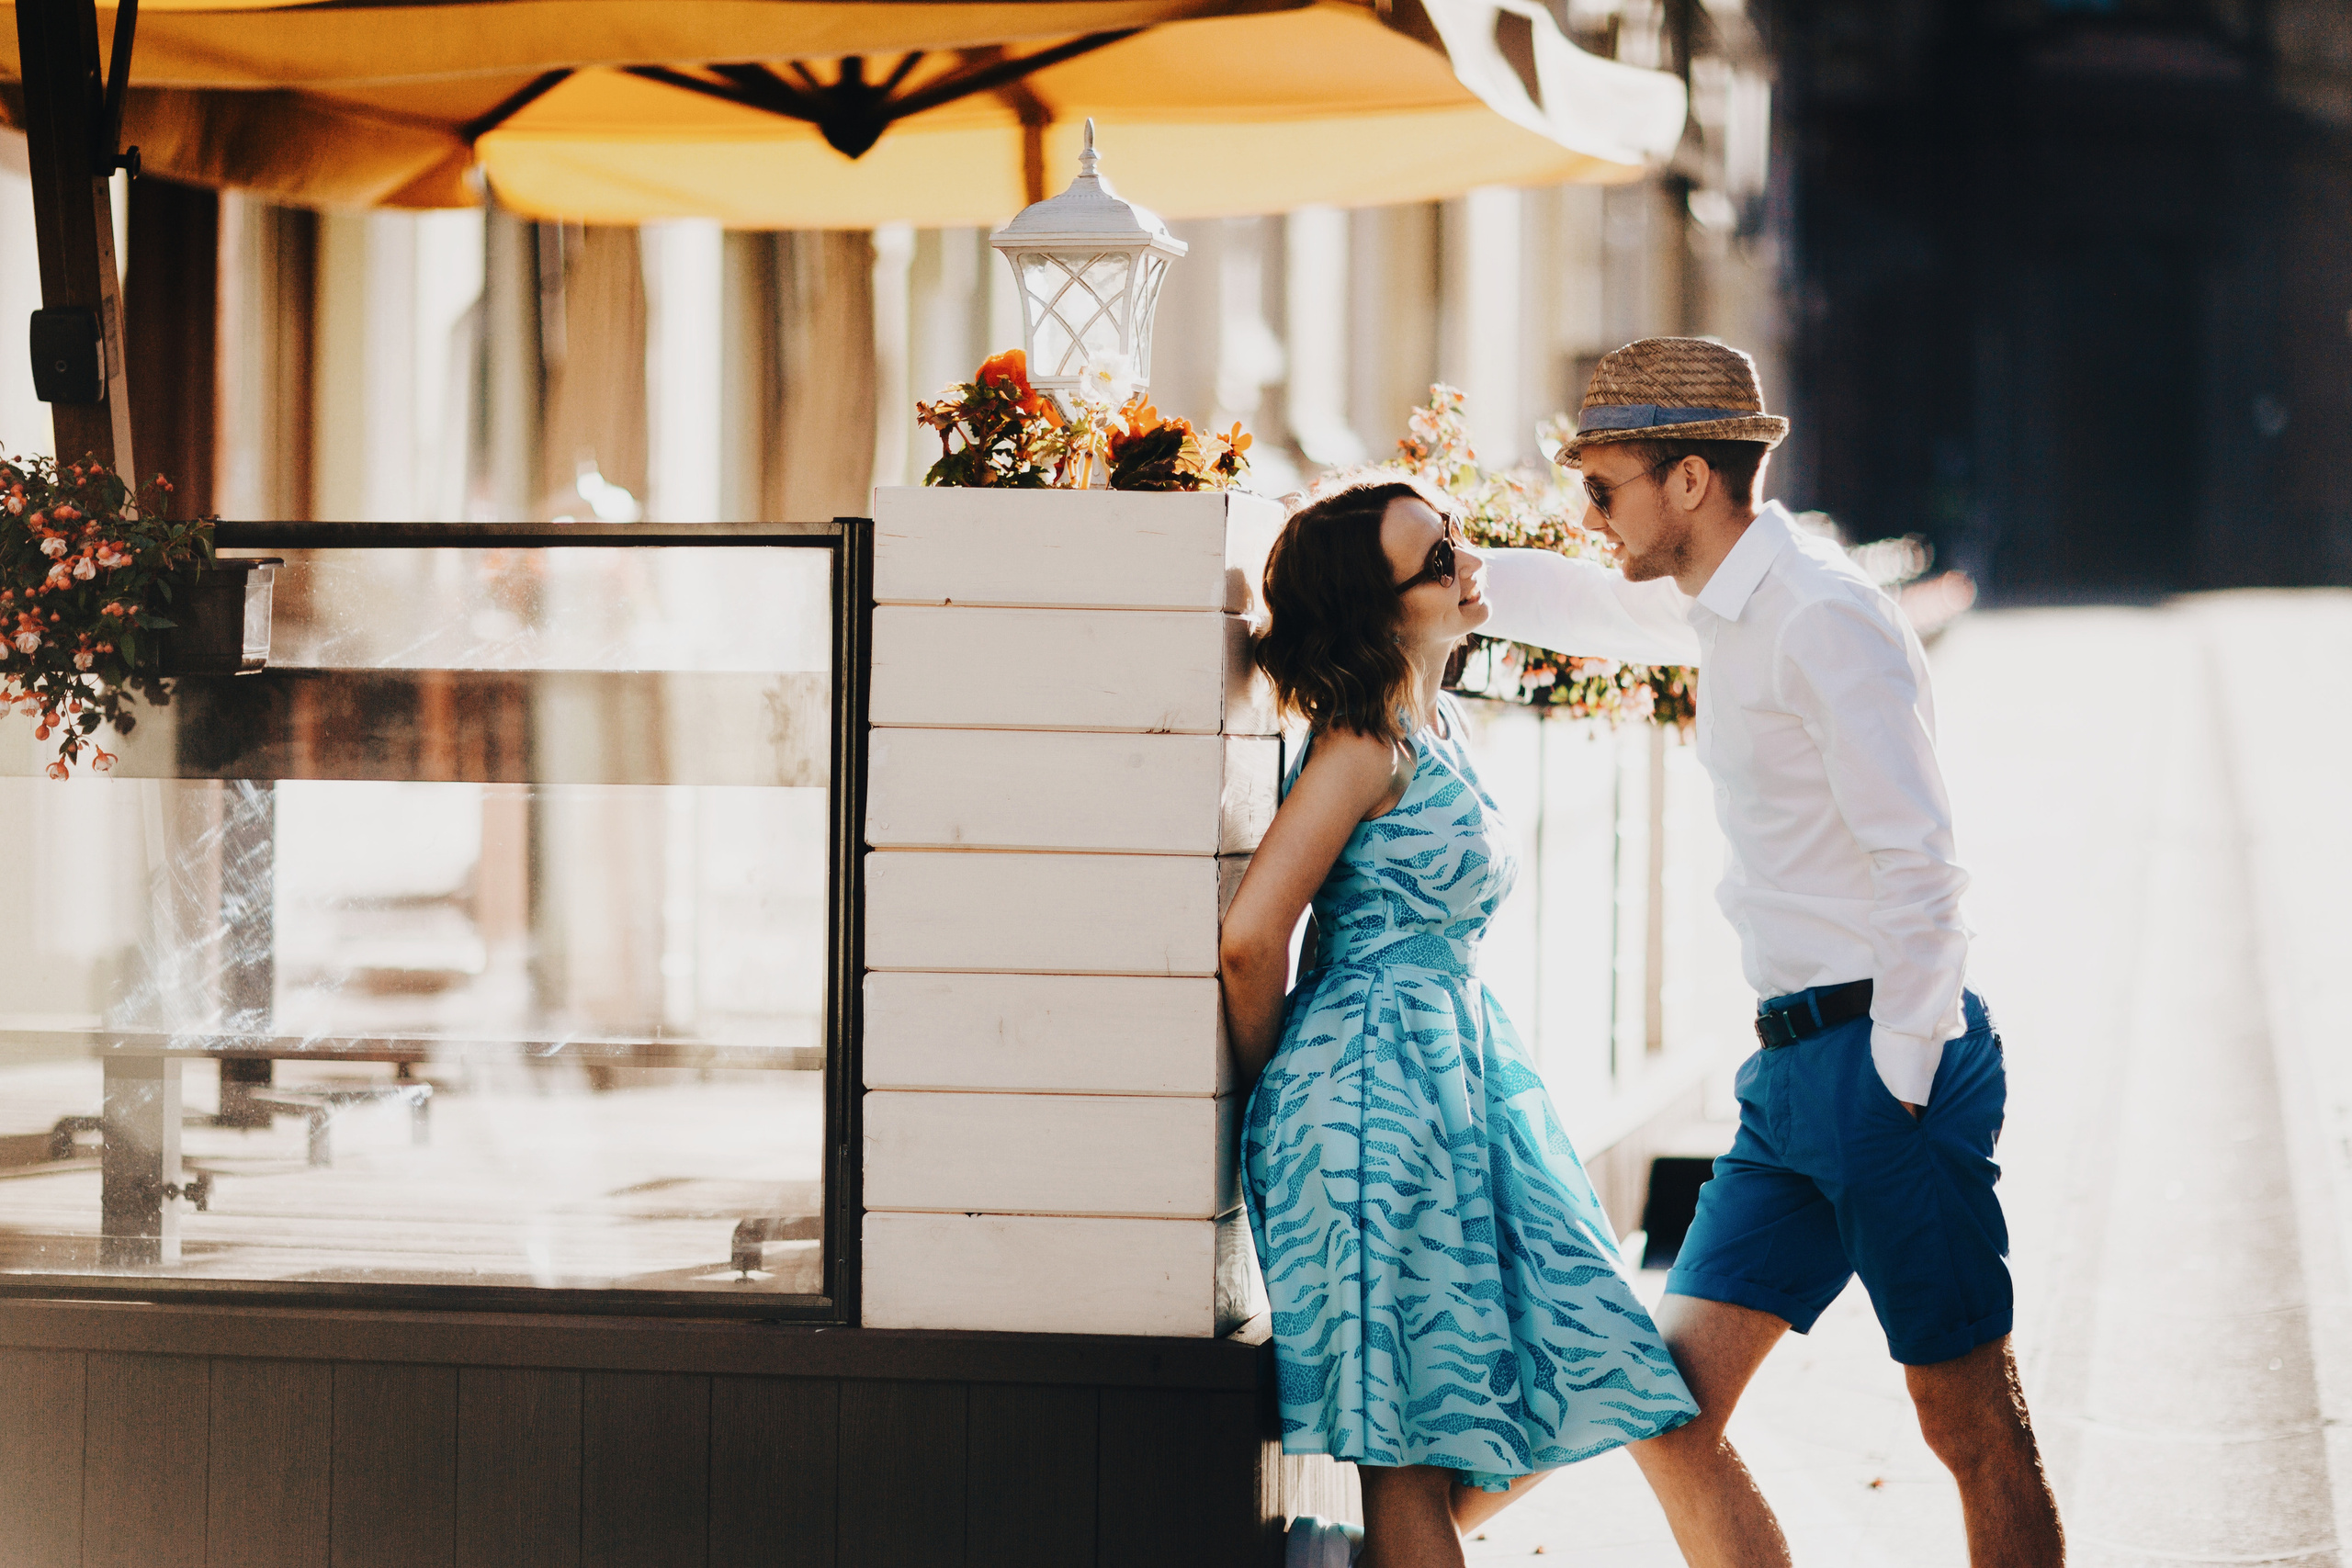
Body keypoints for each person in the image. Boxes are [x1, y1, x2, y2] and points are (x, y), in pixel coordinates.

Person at [1477, 336, 2065, 1566]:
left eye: (1605, 487)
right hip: (1792, 1079)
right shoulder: (1724, 604)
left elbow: (1920, 860)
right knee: (1667, 1411)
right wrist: (1425, 560)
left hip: (1879, 1063)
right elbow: (1592, 607)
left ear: (1690, 479)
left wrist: (1899, 1078)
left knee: (1967, 1420)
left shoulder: (1821, 614)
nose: (1591, 516)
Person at [1219, 474, 1707, 1568]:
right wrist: (1270, 1088)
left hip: (1457, 1086)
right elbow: (1251, 936)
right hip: (1368, 1106)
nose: (1469, 564)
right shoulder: (1360, 746)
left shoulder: (1432, 725)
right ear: (1379, 610)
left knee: (1595, 1359)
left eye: (1454, 539)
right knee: (1409, 1460)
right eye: (1437, 562)